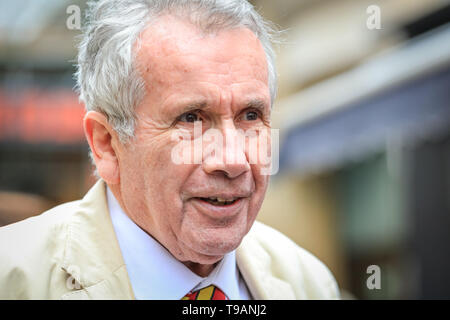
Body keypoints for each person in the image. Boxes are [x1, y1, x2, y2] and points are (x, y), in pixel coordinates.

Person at [0, 0, 339, 300]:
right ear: (106, 144)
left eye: (250, 116)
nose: (233, 161)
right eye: (191, 119)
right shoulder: (13, 279)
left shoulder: (308, 282)